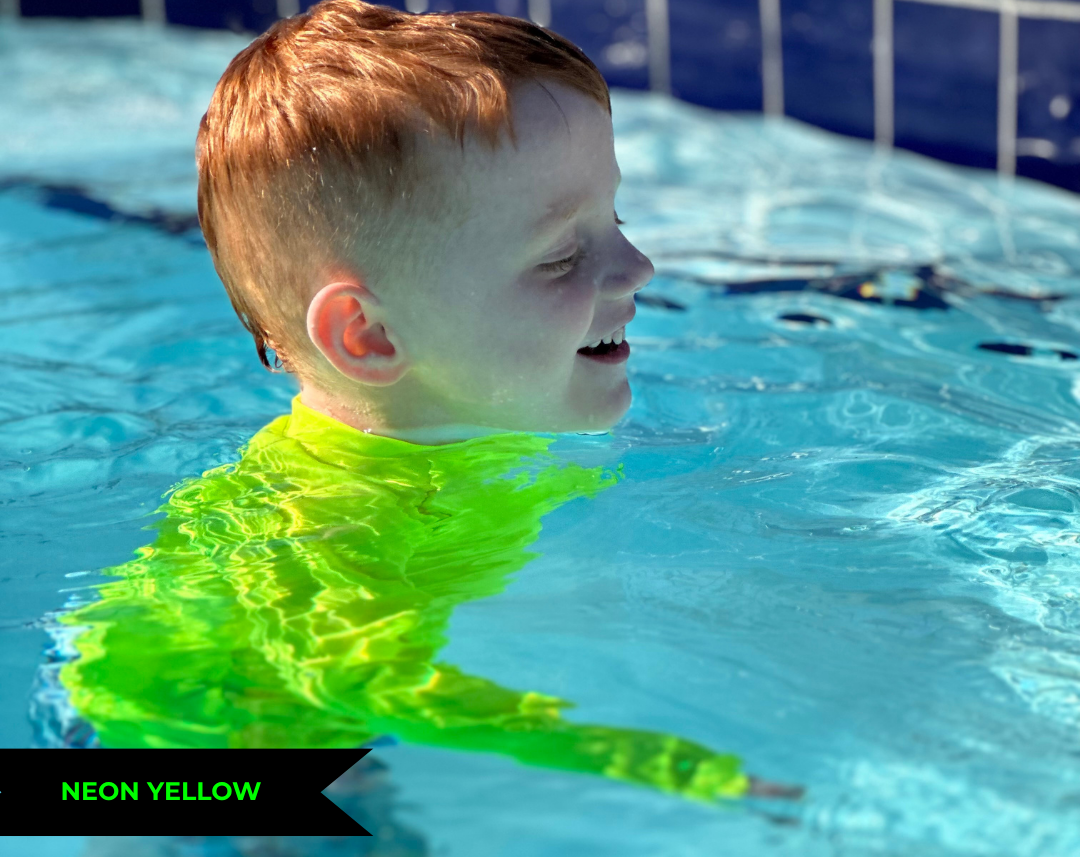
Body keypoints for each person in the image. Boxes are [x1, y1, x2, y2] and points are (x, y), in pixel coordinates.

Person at [55, 1, 789, 802]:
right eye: (559, 257)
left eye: (613, 218)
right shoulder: (351, 521)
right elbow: (369, 686)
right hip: (171, 746)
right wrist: (666, 765)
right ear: (368, 336)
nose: (637, 266)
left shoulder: (445, 432)